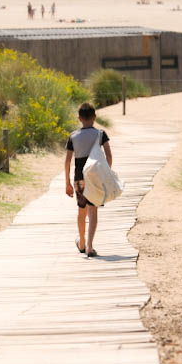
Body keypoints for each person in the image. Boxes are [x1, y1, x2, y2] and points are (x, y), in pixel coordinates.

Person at [65, 103, 112, 258]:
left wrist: (67, 182)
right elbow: (108, 155)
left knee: (81, 210)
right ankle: (90, 246)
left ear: (79, 118)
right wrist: (106, 173)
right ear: (94, 117)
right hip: (96, 177)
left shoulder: (73, 136)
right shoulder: (100, 134)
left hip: (80, 178)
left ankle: (82, 242)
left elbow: (67, 161)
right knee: (93, 211)